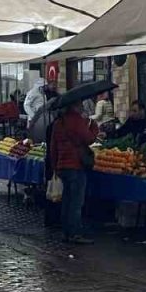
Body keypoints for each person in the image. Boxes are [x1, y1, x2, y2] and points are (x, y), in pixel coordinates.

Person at [50, 102, 98, 245]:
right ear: (75, 107)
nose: (82, 107)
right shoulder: (77, 121)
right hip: (76, 165)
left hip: (62, 166)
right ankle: (75, 233)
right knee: (76, 202)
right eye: (80, 105)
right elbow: (89, 138)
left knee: (67, 200)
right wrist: (94, 128)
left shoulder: (58, 123)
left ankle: (66, 232)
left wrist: (55, 166)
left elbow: (53, 147)